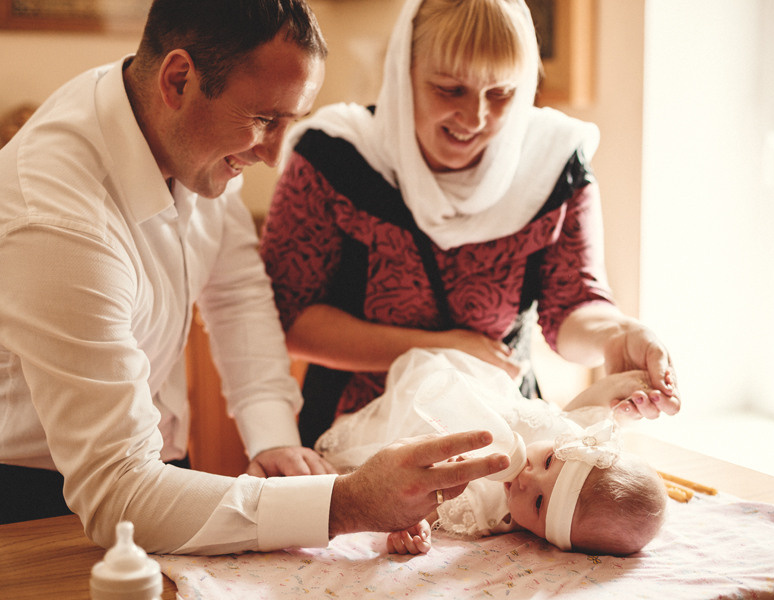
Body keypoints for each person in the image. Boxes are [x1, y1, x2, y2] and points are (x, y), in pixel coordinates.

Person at [0, 0, 510, 555]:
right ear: (178, 80)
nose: (273, 154)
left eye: (290, 121)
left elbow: (238, 293)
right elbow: (117, 490)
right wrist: (348, 503)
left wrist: (273, 440)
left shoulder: (179, 128)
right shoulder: (59, 221)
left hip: (159, 470)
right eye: (266, 120)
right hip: (37, 503)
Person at [260, 0, 681, 450]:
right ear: (404, 72)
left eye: (501, 94)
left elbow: (574, 302)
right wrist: (441, 347)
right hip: (351, 439)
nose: (475, 117)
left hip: (507, 440)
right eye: (450, 89)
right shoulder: (336, 157)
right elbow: (289, 317)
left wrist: (617, 335)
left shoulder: (553, 163)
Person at [315, 348, 669, 556]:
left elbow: (418, 499)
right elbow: (583, 411)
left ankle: (349, 441)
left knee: (358, 458)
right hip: (451, 401)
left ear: (549, 538)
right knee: (418, 387)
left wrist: (409, 525)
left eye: (539, 503)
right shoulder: (564, 436)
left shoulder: (490, 513)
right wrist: (622, 387)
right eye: (548, 461)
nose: (527, 477)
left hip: (409, 448)